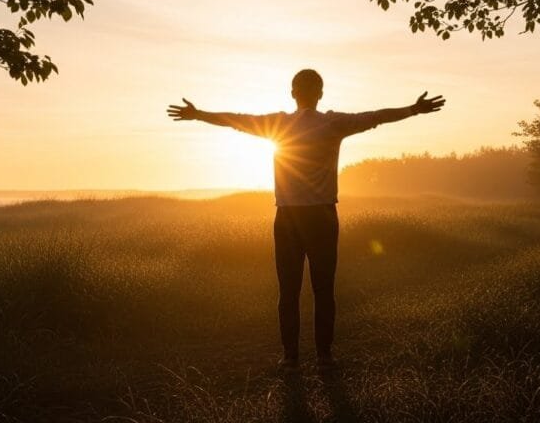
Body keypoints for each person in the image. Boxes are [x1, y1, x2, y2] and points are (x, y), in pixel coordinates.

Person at [167, 69, 445, 371]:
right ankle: (324, 357)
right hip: (323, 216)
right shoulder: (333, 122)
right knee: (323, 289)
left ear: (292, 93)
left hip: (287, 216)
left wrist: (198, 114)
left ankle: (290, 358)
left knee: (288, 291)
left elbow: (235, 120)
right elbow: (376, 116)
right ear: (321, 94)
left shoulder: (279, 124)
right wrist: (414, 109)